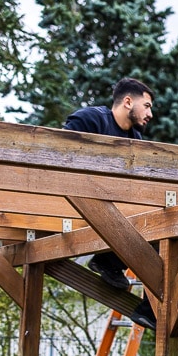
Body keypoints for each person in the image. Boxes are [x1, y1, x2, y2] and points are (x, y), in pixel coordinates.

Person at [64, 78, 157, 330]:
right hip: (77, 202)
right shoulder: (90, 120)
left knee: (163, 230)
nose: (150, 114)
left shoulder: (135, 139)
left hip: (116, 210)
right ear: (128, 101)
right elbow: (60, 156)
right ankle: (109, 261)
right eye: (147, 106)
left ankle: (113, 265)